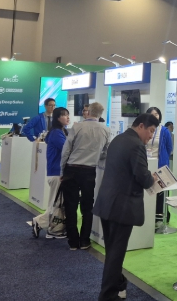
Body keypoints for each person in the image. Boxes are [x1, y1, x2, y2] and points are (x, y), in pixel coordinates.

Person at [93, 113, 158, 301]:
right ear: (141, 126)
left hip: (107, 203)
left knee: (112, 251)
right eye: (150, 131)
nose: (150, 136)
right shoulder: (136, 145)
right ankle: (108, 296)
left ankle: (119, 284)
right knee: (116, 254)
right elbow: (143, 178)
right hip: (121, 207)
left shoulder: (118, 139)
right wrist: (151, 178)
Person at [60, 102, 111, 250]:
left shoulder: (77, 127)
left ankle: (73, 241)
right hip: (89, 170)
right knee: (87, 206)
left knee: (70, 205)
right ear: (100, 114)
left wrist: (62, 170)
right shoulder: (106, 130)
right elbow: (106, 152)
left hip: (72, 169)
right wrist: (96, 156)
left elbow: (66, 150)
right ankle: (84, 240)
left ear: (88, 112)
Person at [32, 107, 70, 239]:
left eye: (68, 115)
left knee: (56, 203)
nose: (68, 117)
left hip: (56, 172)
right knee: (56, 204)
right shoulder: (56, 133)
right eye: (64, 115)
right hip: (57, 173)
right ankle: (40, 223)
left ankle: (51, 228)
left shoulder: (61, 131)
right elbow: (66, 149)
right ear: (57, 118)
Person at [146, 107, 173, 224]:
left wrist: (162, 158)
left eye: (157, 114)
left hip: (160, 165)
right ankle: (149, 216)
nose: (155, 116)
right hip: (147, 164)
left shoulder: (165, 131)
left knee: (161, 193)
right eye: (152, 114)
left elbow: (169, 148)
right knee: (149, 192)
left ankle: (160, 218)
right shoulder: (145, 129)